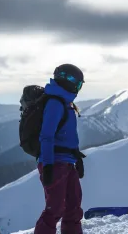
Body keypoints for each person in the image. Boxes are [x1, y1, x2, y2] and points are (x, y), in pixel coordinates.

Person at [35, 64, 85, 234]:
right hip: (55, 162)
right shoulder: (55, 103)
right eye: (77, 83)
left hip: (66, 162)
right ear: (67, 80)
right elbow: (46, 136)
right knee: (54, 208)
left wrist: (76, 157)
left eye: (80, 85)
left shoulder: (65, 102)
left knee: (73, 206)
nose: (78, 88)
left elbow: (68, 135)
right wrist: (48, 165)